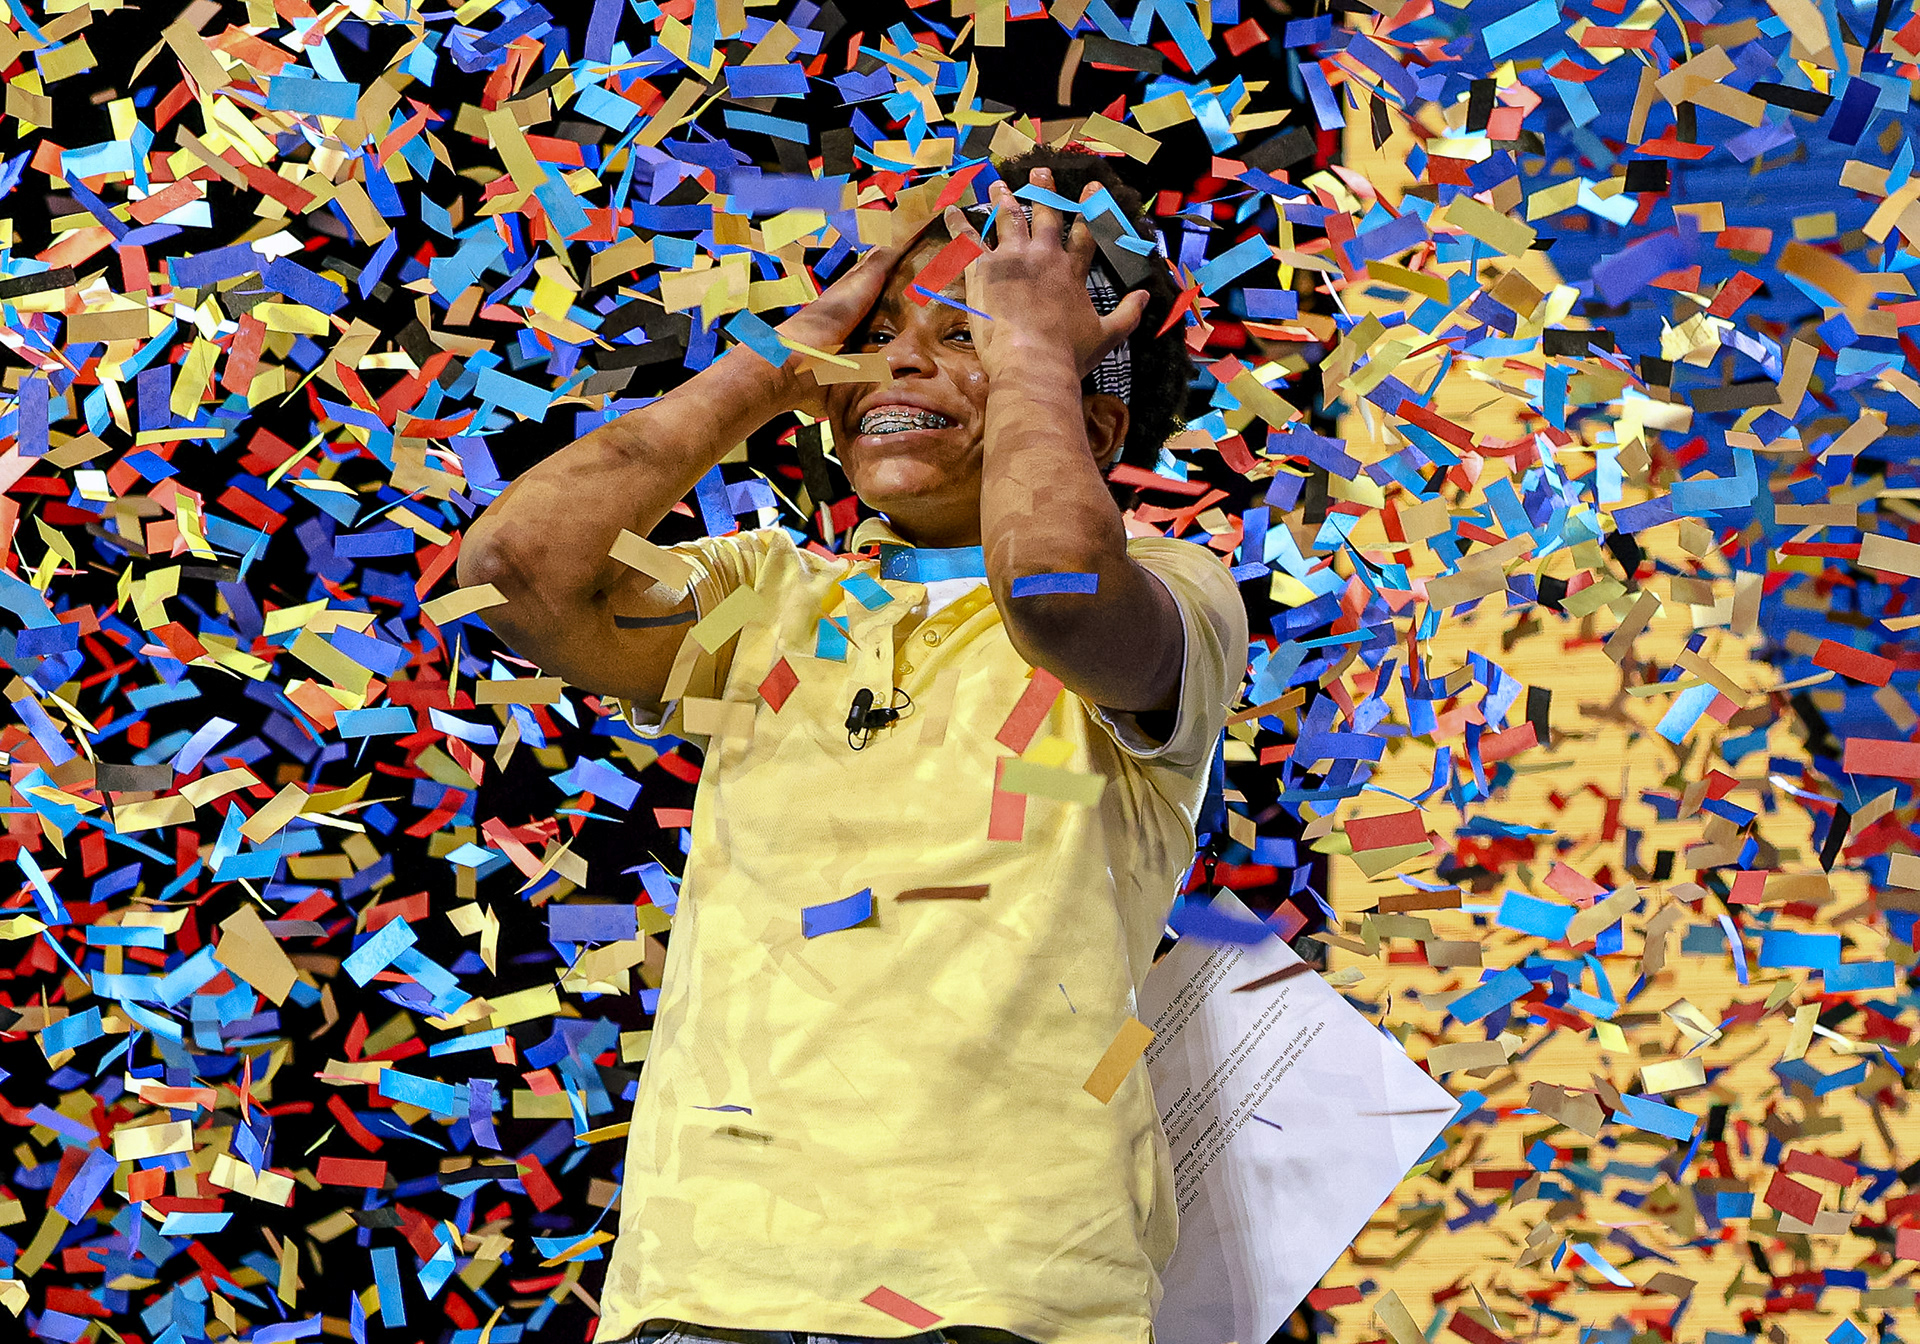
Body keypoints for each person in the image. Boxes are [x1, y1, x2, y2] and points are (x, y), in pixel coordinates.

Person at [458, 147, 1250, 1344]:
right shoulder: (761, 598)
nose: (903, 361)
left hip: (1009, 1300)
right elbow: (517, 578)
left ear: (1089, 405)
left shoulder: (1177, 592)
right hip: (703, 1294)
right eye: (880, 334)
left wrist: (1033, 347)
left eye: (969, 331)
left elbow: (1054, 581)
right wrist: (771, 366)